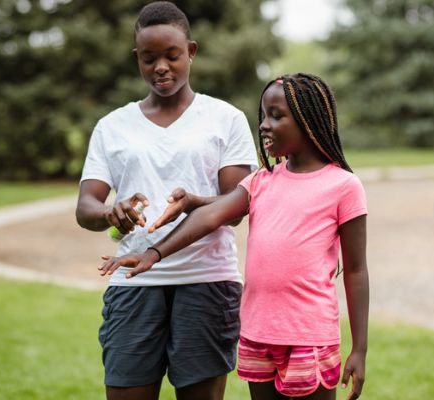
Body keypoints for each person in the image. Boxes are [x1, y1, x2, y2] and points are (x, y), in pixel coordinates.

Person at [99, 73, 369, 400]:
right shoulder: (261, 181)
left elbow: (356, 271)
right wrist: (152, 253)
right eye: (264, 115)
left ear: (309, 120)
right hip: (259, 336)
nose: (264, 125)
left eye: (277, 116)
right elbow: (211, 215)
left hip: (310, 337)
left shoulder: (343, 186)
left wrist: (359, 349)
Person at [75, 2, 257, 399]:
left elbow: (237, 205)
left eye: (172, 55)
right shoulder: (112, 126)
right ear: (136, 58)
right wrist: (109, 212)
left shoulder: (225, 119)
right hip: (134, 282)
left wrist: (194, 201)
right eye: (149, 57)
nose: (161, 66)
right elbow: (86, 207)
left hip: (207, 282)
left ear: (191, 51)